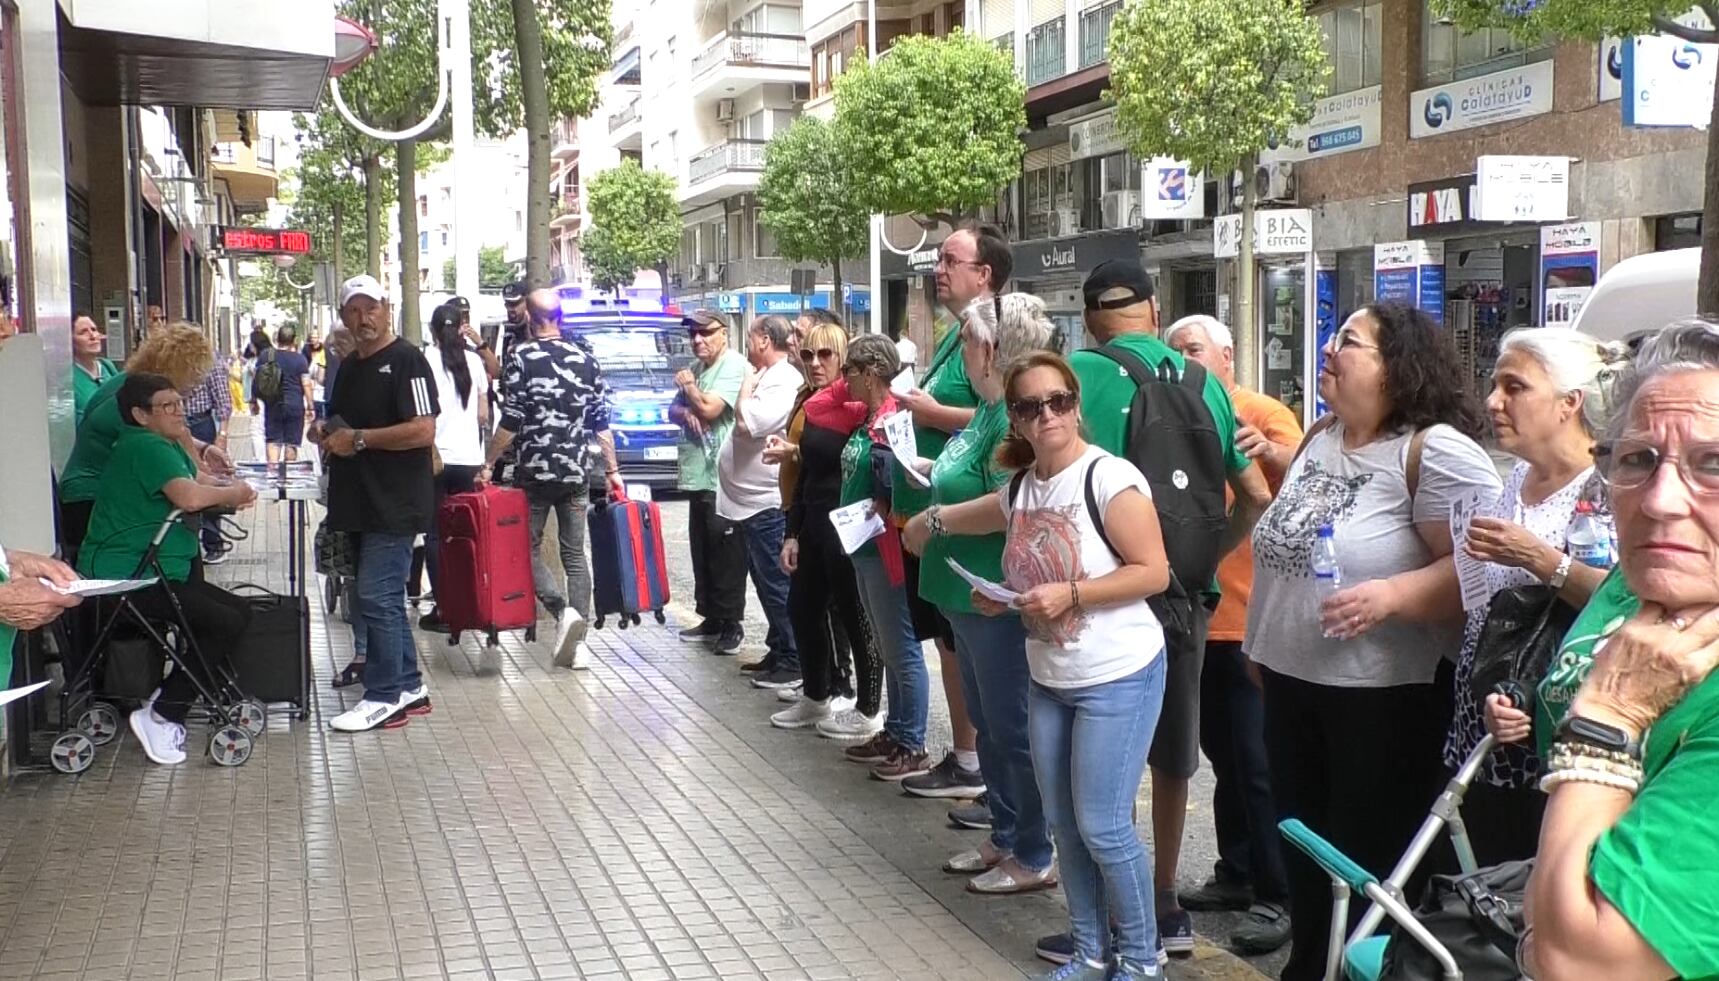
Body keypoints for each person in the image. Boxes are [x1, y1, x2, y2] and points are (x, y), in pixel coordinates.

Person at [1246, 302, 1502, 981]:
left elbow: (1487, 565)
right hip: (1293, 685)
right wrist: (1260, 642)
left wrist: (1394, 595)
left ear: (1396, 367)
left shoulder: (1433, 451)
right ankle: (1310, 966)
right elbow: (1282, 548)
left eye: (1348, 342)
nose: (1329, 351)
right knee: (1305, 857)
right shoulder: (1319, 435)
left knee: (1367, 866)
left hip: (1384, 699)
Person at [918, 352, 1171, 980]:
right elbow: (995, 525)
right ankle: (1089, 952)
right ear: (1017, 420)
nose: (1047, 415)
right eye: (1031, 406)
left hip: (1118, 673)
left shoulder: (1110, 479)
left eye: (1057, 401)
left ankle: (1143, 963)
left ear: (1075, 404)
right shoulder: (1025, 487)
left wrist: (1073, 595)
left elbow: (1154, 573)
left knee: (1106, 826)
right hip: (1052, 677)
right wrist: (994, 593)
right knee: (1063, 824)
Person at [1052, 261, 1272, 964]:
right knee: (1173, 753)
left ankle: (1107, 917)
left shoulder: (1072, 379)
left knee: (1087, 760)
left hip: (1091, 603)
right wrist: (1203, 559)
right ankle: (1164, 898)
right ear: (1153, 309)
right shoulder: (1204, 384)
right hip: (1181, 600)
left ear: (1088, 318)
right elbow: (1256, 493)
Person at [1506, 319, 1719, 981]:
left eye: (1713, 465)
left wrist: (1606, 716)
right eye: (1637, 460)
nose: (1658, 501)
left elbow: (1579, 963)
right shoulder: (1643, 584)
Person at [1438, 328, 1621, 867]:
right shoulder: (1515, 475)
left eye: (1514, 387)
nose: (1494, 402)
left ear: (1570, 403)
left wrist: (1542, 559)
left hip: (1543, 731)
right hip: (1480, 723)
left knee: (1529, 881)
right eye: (1494, 386)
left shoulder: (1606, 486)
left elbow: (1620, 602)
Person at [904, 293, 1059, 893]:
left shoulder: (1010, 416)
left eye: (966, 343)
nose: (961, 356)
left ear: (990, 350)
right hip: (962, 599)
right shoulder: (989, 411)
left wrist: (934, 519)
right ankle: (1006, 832)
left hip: (992, 599)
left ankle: (1033, 849)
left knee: (1010, 729)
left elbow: (1008, 504)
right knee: (991, 727)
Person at [1164, 314, 1301, 954]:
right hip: (1198, 617)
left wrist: (1268, 452)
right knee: (1221, 757)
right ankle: (1237, 869)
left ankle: (1279, 894)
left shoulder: (1263, 412)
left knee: (1257, 763)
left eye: (1192, 351)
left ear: (1227, 355)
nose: (1183, 363)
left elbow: (1299, 486)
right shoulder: (1167, 415)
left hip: (1249, 621)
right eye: (1176, 353)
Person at [77, 373, 258, 765]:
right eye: (168, 406)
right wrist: (232, 493)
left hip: (156, 571)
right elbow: (190, 496)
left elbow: (196, 478)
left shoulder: (161, 444)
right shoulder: (144, 447)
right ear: (141, 415)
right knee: (225, 621)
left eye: (180, 403)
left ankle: (174, 701)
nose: (180, 412)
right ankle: (163, 711)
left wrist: (229, 485)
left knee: (238, 612)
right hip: (126, 575)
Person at [894, 224, 1005, 818]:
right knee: (954, 653)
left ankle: (990, 786)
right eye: (938, 259)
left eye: (951, 259)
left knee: (997, 700)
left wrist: (934, 411)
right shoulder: (955, 334)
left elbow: (997, 426)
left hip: (975, 564)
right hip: (944, 548)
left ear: (984, 274)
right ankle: (972, 764)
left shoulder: (991, 345)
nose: (939, 268)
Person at [314, 274, 439, 733]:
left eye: (371, 308)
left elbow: (424, 430)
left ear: (386, 308)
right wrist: (327, 433)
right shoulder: (348, 365)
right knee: (378, 595)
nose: (363, 318)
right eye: (353, 310)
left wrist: (360, 440)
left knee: (376, 595)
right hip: (359, 500)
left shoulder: (408, 360)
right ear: (343, 316)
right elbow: (340, 421)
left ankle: (384, 694)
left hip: (397, 501)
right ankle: (408, 684)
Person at [481, 289, 624, 669]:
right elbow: (602, 426)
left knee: (524, 548)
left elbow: (510, 421)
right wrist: (612, 471)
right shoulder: (587, 360)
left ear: (530, 316)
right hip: (577, 471)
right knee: (575, 554)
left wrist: (488, 462)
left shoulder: (520, 358)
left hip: (535, 472)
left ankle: (563, 612)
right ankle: (578, 644)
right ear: (560, 317)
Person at [830, 335, 935, 783]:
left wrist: (887, 501)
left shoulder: (894, 419)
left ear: (870, 373)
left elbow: (908, 477)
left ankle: (912, 740)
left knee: (900, 644)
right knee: (887, 641)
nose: (843, 381)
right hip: (862, 543)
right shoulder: (870, 417)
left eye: (849, 372)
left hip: (885, 546)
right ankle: (896, 730)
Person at [770, 321, 882, 737]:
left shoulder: (861, 410)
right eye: (808, 354)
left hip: (850, 530)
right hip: (816, 525)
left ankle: (868, 709)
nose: (815, 363)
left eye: (826, 355)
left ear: (844, 360)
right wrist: (792, 532)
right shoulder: (816, 405)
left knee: (857, 618)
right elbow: (806, 476)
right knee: (802, 608)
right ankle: (815, 696)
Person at [59, 323, 230, 557]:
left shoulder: (130, 386)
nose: (196, 385)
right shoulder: (136, 400)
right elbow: (184, 467)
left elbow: (179, 439)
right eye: (194, 377)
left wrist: (205, 449)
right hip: (89, 499)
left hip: (92, 491)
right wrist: (220, 484)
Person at [717, 315, 805, 690]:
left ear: (765, 340)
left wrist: (744, 390)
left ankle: (793, 658)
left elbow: (748, 423)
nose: (748, 347)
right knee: (763, 578)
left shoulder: (783, 380)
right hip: (749, 502)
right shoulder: (768, 376)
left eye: (751, 339)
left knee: (775, 581)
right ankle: (778, 646)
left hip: (766, 501)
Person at [671, 309, 750, 655]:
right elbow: (672, 410)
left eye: (705, 333)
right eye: (694, 334)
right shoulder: (699, 367)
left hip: (723, 476)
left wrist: (689, 389)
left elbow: (710, 409)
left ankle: (731, 622)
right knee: (702, 548)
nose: (698, 340)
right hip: (698, 475)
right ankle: (711, 617)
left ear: (724, 333)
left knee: (726, 553)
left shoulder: (731, 366)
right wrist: (684, 408)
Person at [417, 303, 491, 634]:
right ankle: (470, 602)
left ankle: (444, 607)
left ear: (432, 330)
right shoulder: (474, 361)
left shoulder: (422, 361)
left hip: (433, 458)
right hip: (468, 458)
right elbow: (482, 416)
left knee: (435, 533)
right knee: (467, 533)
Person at [181, 339, 235, 565]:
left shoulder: (210, 360)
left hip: (201, 423)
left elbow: (223, 400)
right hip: (177, 422)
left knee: (208, 477)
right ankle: (188, 542)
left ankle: (213, 542)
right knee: (185, 479)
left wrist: (221, 435)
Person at [255, 324, 313, 463]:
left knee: (273, 441)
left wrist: (253, 400)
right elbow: (306, 383)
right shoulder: (300, 359)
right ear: (294, 340)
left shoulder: (266, 355)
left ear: (277, 339)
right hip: (295, 405)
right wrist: (310, 405)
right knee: (291, 443)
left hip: (273, 404)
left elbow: (257, 378)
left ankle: (273, 475)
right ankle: (289, 476)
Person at [72, 313, 119, 426]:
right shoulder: (68, 377)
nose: (93, 336)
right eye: (83, 332)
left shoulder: (108, 367)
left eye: (94, 329)